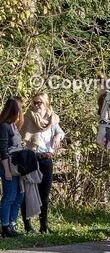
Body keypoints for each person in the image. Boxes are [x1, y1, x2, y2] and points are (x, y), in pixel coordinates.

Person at [20, 93, 63, 233]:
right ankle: (27, 226)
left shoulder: (52, 118)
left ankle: (44, 225)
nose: (37, 105)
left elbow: (60, 132)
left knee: (44, 194)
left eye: (40, 102)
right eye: (35, 102)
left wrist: (57, 136)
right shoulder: (28, 117)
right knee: (28, 192)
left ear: (46, 103)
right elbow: (22, 137)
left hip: (46, 159)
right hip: (31, 159)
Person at [0, 98, 26, 237]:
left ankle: (12, 224)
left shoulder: (14, 126)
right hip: (8, 166)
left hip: (18, 166)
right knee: (9, 196)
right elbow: (3, 150)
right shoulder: (4, 126)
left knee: (19, 196)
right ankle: (5, 226)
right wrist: (7, 171)